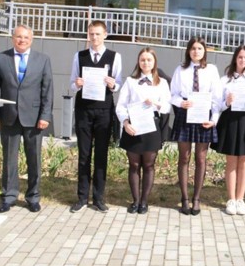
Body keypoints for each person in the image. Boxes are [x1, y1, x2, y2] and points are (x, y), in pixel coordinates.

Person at [0, 24, 54, 213]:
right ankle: (9, 196)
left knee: (34, 159)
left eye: (26, 37)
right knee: (9, 159)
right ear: (12, 38)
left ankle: (33, 197)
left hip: (34, 118)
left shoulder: (43, 60)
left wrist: (45, 116)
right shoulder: (1, 59)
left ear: (31, 40)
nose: (22, 40)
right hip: (8, 117)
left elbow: (47, 90)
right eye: (18, 37)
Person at [69, 20, 122, 213]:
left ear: (105, 35)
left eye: (98, 34)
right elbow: (72, 84)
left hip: (104, 111)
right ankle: (82, 197)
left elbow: (118, 84)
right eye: (91, 34)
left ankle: (98, 198)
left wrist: (112, 84)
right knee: (84, 154)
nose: (94, 37)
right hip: (84, 110)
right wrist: (77, 84)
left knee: (101, 154)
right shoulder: (79, 56)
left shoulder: (114, 56)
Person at [211, 45, 245, 216]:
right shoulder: (225, 80)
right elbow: (217, 105)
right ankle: (231, 199)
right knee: (231, 161)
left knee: (244, 161)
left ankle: (240, 199)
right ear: (235, 58)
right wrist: (227, 102)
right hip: (231, 121)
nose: (243, 60)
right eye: (240, 57)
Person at [170, 37, 222, 216]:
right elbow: (172, 94)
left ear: (204, 51)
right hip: (185, 113)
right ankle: (185, 198)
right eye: (193, 48)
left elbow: (217, 97)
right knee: (184, 157)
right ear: (188, 51)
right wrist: (180, 102)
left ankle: (197, 198)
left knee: (201, 159)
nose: (196, 51)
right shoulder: (180, 69)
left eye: (199, 48)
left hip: (204, 115)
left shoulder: (212, 70)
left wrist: (214, 119)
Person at [116, 47, 171, 215]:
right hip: (133, 127)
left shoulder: (162, 83)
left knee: (148, 165)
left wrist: (155, 102)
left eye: (149, 60)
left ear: (154, 62)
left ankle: (144, 202)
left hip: (151, 127)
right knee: (133, 165)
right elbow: (120, 106)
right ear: (138, 62)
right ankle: (135, 200)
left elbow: (167, 106)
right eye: (142, 60)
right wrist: (125, 123)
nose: (145, 63)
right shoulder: (130, 81)